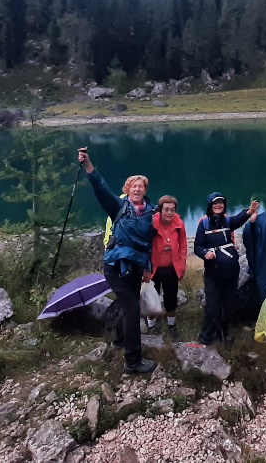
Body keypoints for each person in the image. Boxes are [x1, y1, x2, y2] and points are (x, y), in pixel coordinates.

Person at [78, 148, 157, 374]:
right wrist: (88, 165)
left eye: (141, 186)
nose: (137, 189)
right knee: (132, 307)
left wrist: (148, 268)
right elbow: (100, 187)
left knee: (126, 304)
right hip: (115, 267)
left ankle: (119, 339)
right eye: (134, 186)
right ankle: (133, 360)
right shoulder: (118, 207)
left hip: (136, 267)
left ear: (145, 191)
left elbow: (149, 242)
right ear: (127, 190)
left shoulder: (151, 213)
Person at [194, 192, 259, 345]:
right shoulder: (204, 223)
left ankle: (224, 332)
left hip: (231, 271)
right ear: (210, 206)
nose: (218, 205)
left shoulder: (228, 221)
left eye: (221, 202)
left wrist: (249, 212)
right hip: (213, 272)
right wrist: (205, 253)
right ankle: (205, 336)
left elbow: (238, 219)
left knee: (229, 304)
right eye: (215, 203)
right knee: (212, 306)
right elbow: (197, 247)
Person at [146, 194, 187, 340]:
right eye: (166, 209)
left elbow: (183, 246)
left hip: (171, 268)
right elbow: (144, 246)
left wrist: (181, 266)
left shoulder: (179, 224)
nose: (169, 213)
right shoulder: (151, 223)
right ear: (160, 210)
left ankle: (171, 327)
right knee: (151, 301)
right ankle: (151, 327)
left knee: (171, 301)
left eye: (172, 210)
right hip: (153, 269)